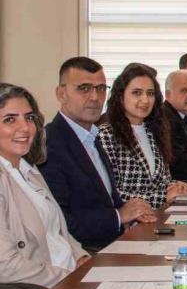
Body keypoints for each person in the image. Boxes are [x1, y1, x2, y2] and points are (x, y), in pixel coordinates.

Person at [40, 57, 156, 250]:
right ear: (61, 94)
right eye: (84, 88)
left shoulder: (92, 136)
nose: (95, 97)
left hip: (118, 242)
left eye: (101, 88)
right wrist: (119, 216)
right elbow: (58, 222)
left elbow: (107, 200)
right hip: (85, 254)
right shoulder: (49, 144)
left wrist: (133, 212)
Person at [0, 84, 89, 289]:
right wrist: (68, 278)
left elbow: (58, 231)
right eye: (10, 119)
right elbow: (5, 265)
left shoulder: (28, 169)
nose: (25, 127)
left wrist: (81, 258)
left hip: (69, 283)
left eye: (29, 118)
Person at [98, 64, 187, 209]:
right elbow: (109, 193)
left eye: (150, 93)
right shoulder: (106, 135)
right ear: (120, 97)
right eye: (137, 93)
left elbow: (160, 181)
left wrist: (176, 186)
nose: (145, 100)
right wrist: (162, 197)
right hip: (131, 221)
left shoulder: (155, 131)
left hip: (162, 216)